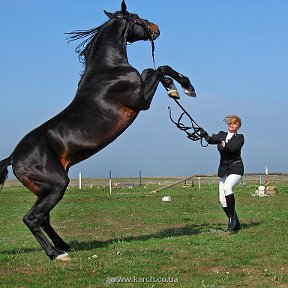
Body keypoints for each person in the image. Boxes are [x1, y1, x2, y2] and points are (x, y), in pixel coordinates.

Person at [204, 115, 244, 233]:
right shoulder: (221, 134)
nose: (232, 125)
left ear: (238, 126)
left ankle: (231, 221)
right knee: (222, 200)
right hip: (224, 170)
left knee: (227, 188)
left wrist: (222, 142)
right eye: (230, 123)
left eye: (235, 123)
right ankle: (236, 223)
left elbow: (232, 148)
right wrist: (205, 135)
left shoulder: (240, 138)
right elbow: (211, 140)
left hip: (236, 168)